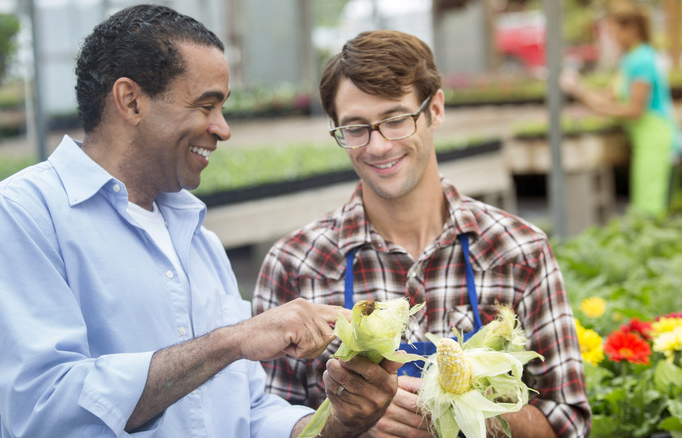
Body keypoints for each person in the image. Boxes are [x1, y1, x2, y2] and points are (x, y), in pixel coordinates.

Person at [0, 5, 400, 437]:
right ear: (131, 101)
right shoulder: (23, 217)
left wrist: (339, 425)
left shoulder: (198, 241)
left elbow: (246, 414)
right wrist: (231, 341)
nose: (223, 129)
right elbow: (45, 409)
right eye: (206, 106)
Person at [253, 30, 592, 438]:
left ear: (436, 111)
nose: (377, 146)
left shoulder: (518, 250)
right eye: (356, 128)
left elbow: (569, 423)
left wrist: (467, 406)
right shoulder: (296, 265)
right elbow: (260, 422)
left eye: (396, 120)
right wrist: (346, 424)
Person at [560, 0, 680, 217]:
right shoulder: (629, 59)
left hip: (656, 139)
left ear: (632, 28)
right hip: (643, 139)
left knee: (650, 208)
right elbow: (610, 95)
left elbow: (635, 109)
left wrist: (583, 95)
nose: (612, 38)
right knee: (645, 203)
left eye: (614, 32)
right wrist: (579, 89)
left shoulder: (642, 59)